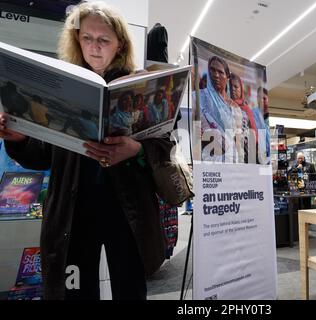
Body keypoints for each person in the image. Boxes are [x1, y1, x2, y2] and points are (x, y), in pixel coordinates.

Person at [0, 1, 172, 300]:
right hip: (74, 209)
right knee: (76, 290)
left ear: (119, 45)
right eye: (87, 38)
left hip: (127, 208)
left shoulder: (140, 84)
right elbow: (43, 154)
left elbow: (164, 145)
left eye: (104, 40)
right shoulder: (59, 84)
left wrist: (135, 150)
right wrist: (19, 139)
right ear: (77, 40)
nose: (95, 47)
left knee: (130, 289)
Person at [199, 56, 238, 162]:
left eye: (220, 72)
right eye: (212, 70)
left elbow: (237, 136)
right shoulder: (198, 97)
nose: (215, 75)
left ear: (227, 77)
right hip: (210, 159)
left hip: (231, 159)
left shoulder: (234, 107)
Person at [230, 73, 257, 163]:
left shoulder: (246, 109)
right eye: (230, 86)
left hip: (245, 152)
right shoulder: (225, 106)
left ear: (241, 89)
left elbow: (253, 133)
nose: (233, 89)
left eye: (236, 86)